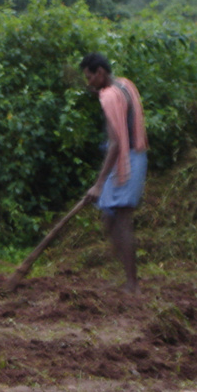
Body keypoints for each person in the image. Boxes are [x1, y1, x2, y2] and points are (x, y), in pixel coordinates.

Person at [80, 53, 148, 294]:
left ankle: (132, 283)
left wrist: (99, 184)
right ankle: (125, 276)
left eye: (89, 77)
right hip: (134, 157)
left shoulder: (109, 96)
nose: (88, 83)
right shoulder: (125, 84)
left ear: (100, 72)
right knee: (109, 218)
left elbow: (115, 143)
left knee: (121, 219)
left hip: (126, 160)